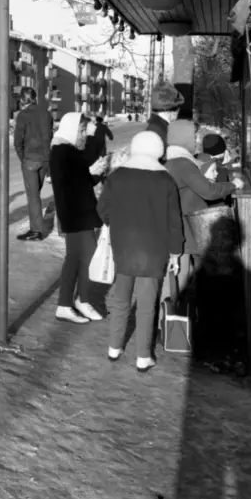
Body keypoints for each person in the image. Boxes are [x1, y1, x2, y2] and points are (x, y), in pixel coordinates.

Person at [98, 129, 184, 371]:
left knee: (120, 298)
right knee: (147, 305)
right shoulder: (165, 180)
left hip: (123, 246)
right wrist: (175, 252)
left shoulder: (117, 177)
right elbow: (174, 220)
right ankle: (143, 355)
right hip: (154, 250)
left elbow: (102, 208)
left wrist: (114, 224)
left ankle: (114, 346)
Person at [49, 111, 110, 323]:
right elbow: (74, 184)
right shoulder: (65, 152)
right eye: (81, 130)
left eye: (84, 130)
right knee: (90, 257)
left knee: (74, 259)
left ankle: (66, 304)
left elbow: (77, 182)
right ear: (71, 130)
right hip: (78, 214)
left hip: (75, 214)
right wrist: (92, 171)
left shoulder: (65, 151)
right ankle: (82, 300)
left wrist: (91, 173)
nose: (84, 134)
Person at [165, 120, 238, 298]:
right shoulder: (183, 163)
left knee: (182, 279)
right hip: (186, 228)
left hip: (183, 226)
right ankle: (173, 320)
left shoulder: (175, 161)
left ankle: (176, 318)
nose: (197, 140)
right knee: (180, 282)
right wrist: (232, 185)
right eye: (194, 135)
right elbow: (208, 191)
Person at [13, 87, 53, 241]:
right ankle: (36, 226)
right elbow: (49, 136)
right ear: (35, 98)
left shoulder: (23, 115)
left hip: (30, 159)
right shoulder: (46, 114)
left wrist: (23, 159)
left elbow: (18, 141)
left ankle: (36, 230)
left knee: (33, 196)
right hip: (45, 159)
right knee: (36, 193)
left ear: (23, 100)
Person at [145, 80, 184, 149]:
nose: (179, 111)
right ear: (171, 109)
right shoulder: (157, 131)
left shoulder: (159, 125)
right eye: (178, 107)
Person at [84, 110, 114, 181]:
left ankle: (93, 173)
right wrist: (110, 137)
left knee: (95, 159)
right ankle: (103, 174)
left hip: (94, 145)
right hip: (102, 145)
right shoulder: (103, 127)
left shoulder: (93, 127)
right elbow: (110, 134)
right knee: (103, 159)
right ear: (102, 120)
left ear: (96, 120)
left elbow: (89, 135)